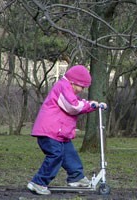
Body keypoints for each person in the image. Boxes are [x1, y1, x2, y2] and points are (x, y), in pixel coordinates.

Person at [27, 65, 107, 195]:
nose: (82, 90)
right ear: (74, 82)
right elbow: (73, 106)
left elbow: (77, 103)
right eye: (82, 87)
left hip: (59, 133)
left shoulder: (67, 89)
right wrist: (89, 105)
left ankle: (77, 177)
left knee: (69, 153)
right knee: (56, 155)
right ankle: (39, 182)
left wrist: (92, 105)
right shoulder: (63, 87)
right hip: (49, 132)